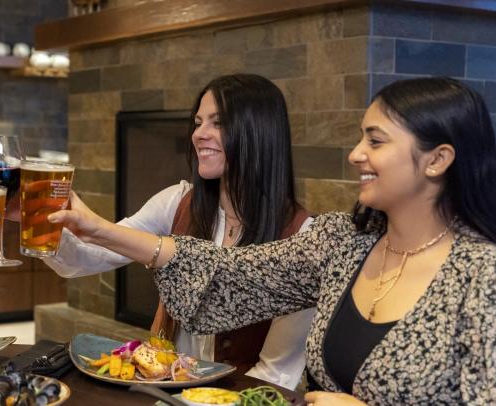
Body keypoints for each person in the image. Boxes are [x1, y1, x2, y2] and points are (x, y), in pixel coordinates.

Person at [48, 77, 496, 404]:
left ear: (437, 160)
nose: (355, 153)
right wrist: (96, 228)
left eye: (375, 141)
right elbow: (230, 275)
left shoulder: (483, 276)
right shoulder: (343, 242)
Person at [43, 74, 314, 390]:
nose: (199, 134)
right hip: (164, 391)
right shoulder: (177, 201)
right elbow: (84, 259)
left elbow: (276, 373)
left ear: (259, 133)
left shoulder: (303, 236)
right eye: (198, 122)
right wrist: (40, 221)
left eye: (217, 122)